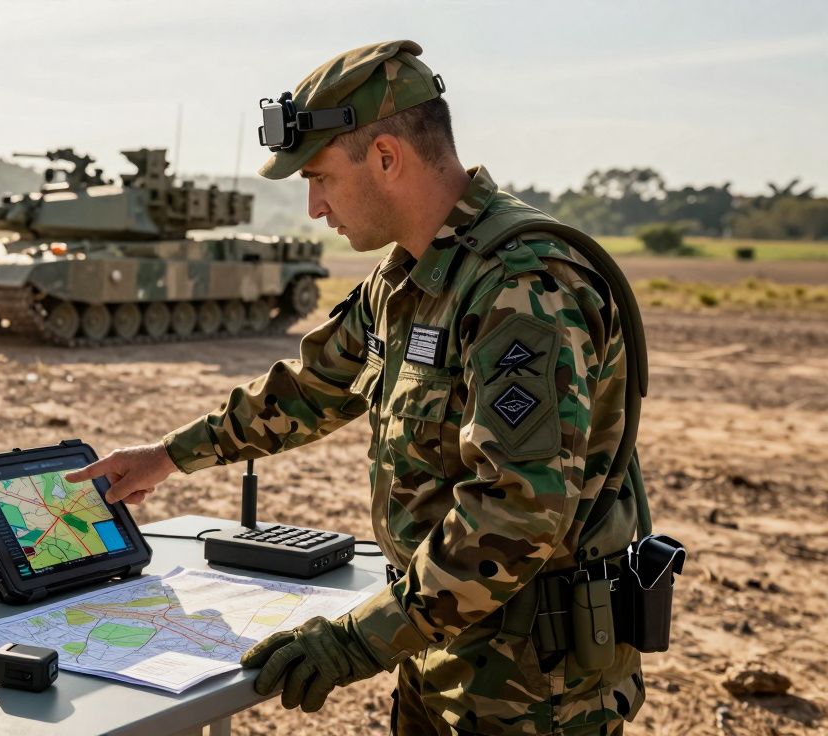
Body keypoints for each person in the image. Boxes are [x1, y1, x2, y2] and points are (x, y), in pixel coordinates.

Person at [65, 40, 648, 735]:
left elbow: (518, 511)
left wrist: (354, 641)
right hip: (438, 646)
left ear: (386, 158)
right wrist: (167, 455)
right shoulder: (408, 276)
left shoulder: (523, 286)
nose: (313, 206)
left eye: (319, 177)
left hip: (536, 687)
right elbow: (311, 388)